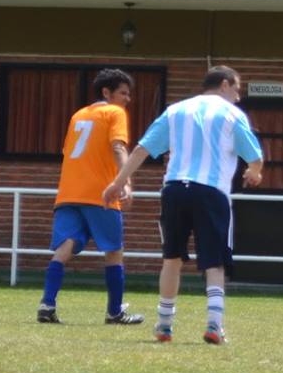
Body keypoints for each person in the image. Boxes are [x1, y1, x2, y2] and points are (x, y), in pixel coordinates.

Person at [102, 66, 263, 345]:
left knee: (172, 258)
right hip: (211, 192)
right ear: (225, 85)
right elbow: (254, 154)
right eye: (237, 90)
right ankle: (214, 325)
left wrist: (117, 183)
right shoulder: (232, 114)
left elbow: (142, 149)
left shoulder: (175, 111)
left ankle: (164, 326)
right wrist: (255, 171)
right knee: (214, 262)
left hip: (174, 188)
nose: (238, 98)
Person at [37, 68, 143, 326]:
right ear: (106, 92)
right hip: (100, 194)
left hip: (69, 193)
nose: (127, 99)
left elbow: (69, 152)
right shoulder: (114, 112)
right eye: (123, 93)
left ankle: (47, 304)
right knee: (114, 251)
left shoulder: (77, 115)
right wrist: (125, 183)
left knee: (64, 248)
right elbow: (118, 146)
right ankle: (115, 312)